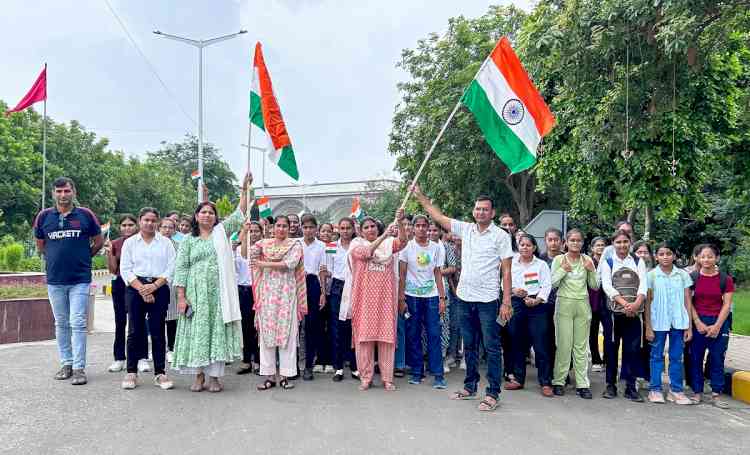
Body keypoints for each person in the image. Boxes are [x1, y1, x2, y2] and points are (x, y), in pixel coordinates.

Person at [412, 185, 513, 412]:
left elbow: (506, 271)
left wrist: (506, 302)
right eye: (478, 209)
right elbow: (437, 216)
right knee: (469, 345)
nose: (481, 213)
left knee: (492, 347)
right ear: (473, 211)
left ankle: (493, 393)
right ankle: (470, 386)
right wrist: (420, 196)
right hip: (464, 298)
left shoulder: (501, 236)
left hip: (488, 300)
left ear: (493, 213)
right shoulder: (466, 229)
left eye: (485, 210)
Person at [172, 174, 250, 393]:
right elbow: (181, 268)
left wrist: (244, 189)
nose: (207, 215)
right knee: (198, 332)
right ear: (196, 216)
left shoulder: (221, 233)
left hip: (218, 295)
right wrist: (181, 296)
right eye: (203, 212)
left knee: (216, 332)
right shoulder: (188, 240)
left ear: (216, 217)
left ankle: (214, 377)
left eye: (211, 212)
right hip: (195, 294)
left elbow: (240, 213)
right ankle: (198, 376)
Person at [34, 177, 104, 385]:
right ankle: (66, 363)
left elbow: (98, 241)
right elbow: (40, 246)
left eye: (66, 191)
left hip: (80, 280)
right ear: (53, 194)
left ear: (73, 192)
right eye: (59, 191)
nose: (63, 195)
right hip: (55, 280)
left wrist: (83, 258)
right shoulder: (44, 216)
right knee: (62, 323)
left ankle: (79, 368)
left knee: (78, 322)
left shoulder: (85, 215)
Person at [346, 212, 407, 391]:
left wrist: (401, 224)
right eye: (366, 227)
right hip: (363, 300)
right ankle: (366, 377)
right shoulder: (356, 245)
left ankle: (387, 378)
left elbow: (403, 242)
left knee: (386, 339)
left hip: (386, 299)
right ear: (361, 231)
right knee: (364, 340)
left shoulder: (388, 244)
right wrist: (384, 235)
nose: (370, 229)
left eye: (373, 226)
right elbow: (367, 253)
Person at [119, 208, 176, 390]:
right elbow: (125, 270)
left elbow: (171, 268)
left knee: (158, 330)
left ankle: (160, 372)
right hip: (135, 287)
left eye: (153, 220)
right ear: (139, 221)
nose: (149, 223)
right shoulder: (130, 243)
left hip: (159, 286)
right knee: (134, 330)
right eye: (146, 220)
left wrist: (154, 286)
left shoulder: (166, 243)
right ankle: (131, 371)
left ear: (157, 222)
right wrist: (142, 289)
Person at [252, 215, 306, 390]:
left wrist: (263, 263)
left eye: (285, 226)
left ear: (289, 228)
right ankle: (269, 377)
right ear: (273, 228)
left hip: (287, 294)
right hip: (267, 294)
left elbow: (289, 264)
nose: (281, 229)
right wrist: (246, 231)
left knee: (287, 335)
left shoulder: (295, 245)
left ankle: (285, 376)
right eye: (278, 225)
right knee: (267, 335)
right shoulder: (264, 244)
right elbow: (248, 255)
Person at [399, 215, 447, 389]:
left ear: (428, 228)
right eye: (417, 225)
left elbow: (438, 273)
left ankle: (438, 374)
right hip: (411, 296)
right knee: (414, 334)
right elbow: (402, 274)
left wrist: (442, 298)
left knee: (434, 334)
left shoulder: (436, 248)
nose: (420, 228)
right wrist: (401, 298)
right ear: (412, 228)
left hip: (432, 297)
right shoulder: (406, 247)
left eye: (423, 225)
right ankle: (417, 372)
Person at [598, 229, 647, 402]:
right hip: (614, 314)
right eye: (618, 242)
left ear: (630, 243)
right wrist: (625, 303)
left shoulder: (638, 261)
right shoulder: (608, 262)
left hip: (634, 313)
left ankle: (630, 387)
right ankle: (610, 385)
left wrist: (635, 304)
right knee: (611, 349)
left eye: (625, 242)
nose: (622, 245)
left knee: (632, 350)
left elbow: (643, 285)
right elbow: (607, 286)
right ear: (613, 244)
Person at [550, 229, 599, 399]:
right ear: (566, 242)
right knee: (564, 345)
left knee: (581, 347)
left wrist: (592, 270)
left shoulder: (587, 260)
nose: (575, 243)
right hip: (564, 303)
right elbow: (552, 283)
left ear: (582, 243)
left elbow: (595, 286)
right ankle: (558, 381)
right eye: (572, 240)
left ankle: (582, 384)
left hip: (582, 305)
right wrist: (563, 270)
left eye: (578, 240)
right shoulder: (559, 259)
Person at [644, 242, 693, 405]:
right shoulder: (651, 275)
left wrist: (689, 327)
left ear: (674, 256)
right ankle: (655, 389)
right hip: (658, 322)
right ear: (656, 257)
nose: (665, 257)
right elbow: (648, 303)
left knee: (676, 357)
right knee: (656, 356)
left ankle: (676, 390)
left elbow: (687, 300)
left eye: (669, 253)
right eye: (662, 254)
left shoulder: (682, 275)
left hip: (679, 322)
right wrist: (648, 327)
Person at [504, 234, 553, 397]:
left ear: (534, 247)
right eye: (522, 244)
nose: (525, 247)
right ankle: (518, 379)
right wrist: (513, 290)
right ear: (518, 246)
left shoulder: (541, 265)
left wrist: (537, 299)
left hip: (537, 305)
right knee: (517, 342)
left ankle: (545, 382)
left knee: (541, 344)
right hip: (517, 304)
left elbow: (547, 286)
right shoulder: (511, 263)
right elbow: (503, 283)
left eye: (528, 245)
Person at [689, 244, 734, 408]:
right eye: (703, 256)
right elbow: (688, 303)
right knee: (696, 357)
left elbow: (727, 305)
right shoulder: (692, 278)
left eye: (710, 256)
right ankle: (697, 392)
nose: (706, 259)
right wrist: (697, 322)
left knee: (717, 358)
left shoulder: (725, 279)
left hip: (719, 322)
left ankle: (716, 394)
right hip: (698, 321)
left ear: (717, 258)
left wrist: (717, 326)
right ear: (697, 258)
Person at [326, 217, 359, 382]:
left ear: (353, 229)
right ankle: (338, 367)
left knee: (354, 328)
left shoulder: (358, 245)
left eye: (348, 228)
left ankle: (355, 366)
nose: (345, 231)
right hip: (338, 287)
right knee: (337, 328)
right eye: (342, 228)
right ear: (338, 229)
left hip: (355, 286)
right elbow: (329, 270)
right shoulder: (332, 246)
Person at [106, 214, 139, 373]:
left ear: (136, 226)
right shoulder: (115, 243)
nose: (127, 228)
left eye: (130, 225)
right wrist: (110, 253)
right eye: (124, 225)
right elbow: (112, 269)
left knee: (136, 322)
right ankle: (119, 358)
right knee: (120, 322)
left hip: (138, 283)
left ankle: (139, 357)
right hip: (119, 283)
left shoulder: (142, 242)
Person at [300, 214, 329, 380]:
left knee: (312, 326)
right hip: (296, 284)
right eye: (305, 227)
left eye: (311, 227)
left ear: (315, 229)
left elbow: (322, 271)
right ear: (301, 228)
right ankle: (292, 366)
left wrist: (323, 293)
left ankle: (308, 366)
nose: (308, 230)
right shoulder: (296, 243)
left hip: (313, 284)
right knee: (294, 327)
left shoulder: (321, 246)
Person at [236, 220, 262, 375]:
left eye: (256, 231)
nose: (253, 234)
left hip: (260, 290)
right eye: (250, 231)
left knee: (259, 327)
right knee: (246, 327)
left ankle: (259, 361)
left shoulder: (265, 248)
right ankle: (246, 360)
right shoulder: (239, 249)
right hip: (244, 291)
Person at [394, 215, 414, 378]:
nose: (407, 227)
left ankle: (412, 362)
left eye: (409, 224)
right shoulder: (396, 245)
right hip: (397, 292)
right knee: (398, 328)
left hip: (416, 293)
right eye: (404, 224)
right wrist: (401, 296)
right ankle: (398, 363)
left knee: (412, 329)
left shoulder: (418, 245)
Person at [159, 217, 180, 363]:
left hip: (172, 285)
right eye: (164, 227)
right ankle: (158, 348)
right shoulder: (154, 244)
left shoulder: (179, 245)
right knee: (157, 319)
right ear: (159, 228)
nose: (167, 230)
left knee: (172, 319)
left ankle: (171, 348)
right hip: (155, 285)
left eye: (170, 227)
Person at [588, 236, 608, 373]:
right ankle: (596, 360)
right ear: (592, 248)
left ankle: (607, 360)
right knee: (592, 332)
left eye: (603, 245)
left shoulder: (610, 262)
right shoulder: (588, 262)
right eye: (598, 245)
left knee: (609, 332)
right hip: (591, 302)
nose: (600, 247)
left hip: (607, 302)